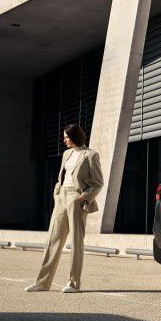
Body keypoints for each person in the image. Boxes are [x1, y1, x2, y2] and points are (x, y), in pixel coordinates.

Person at [25, 124, 103, 293]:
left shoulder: (90, 155)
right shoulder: (67, 154)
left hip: (77, 198)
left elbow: (98, 183)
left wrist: (83, 197)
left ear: (75, 137)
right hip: (61, 198)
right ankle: (42, 282)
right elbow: (63, 175)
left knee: (76, 242)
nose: (64, 140)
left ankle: (74, 284)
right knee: (53, 240)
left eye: (67, 137)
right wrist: (57, 191)